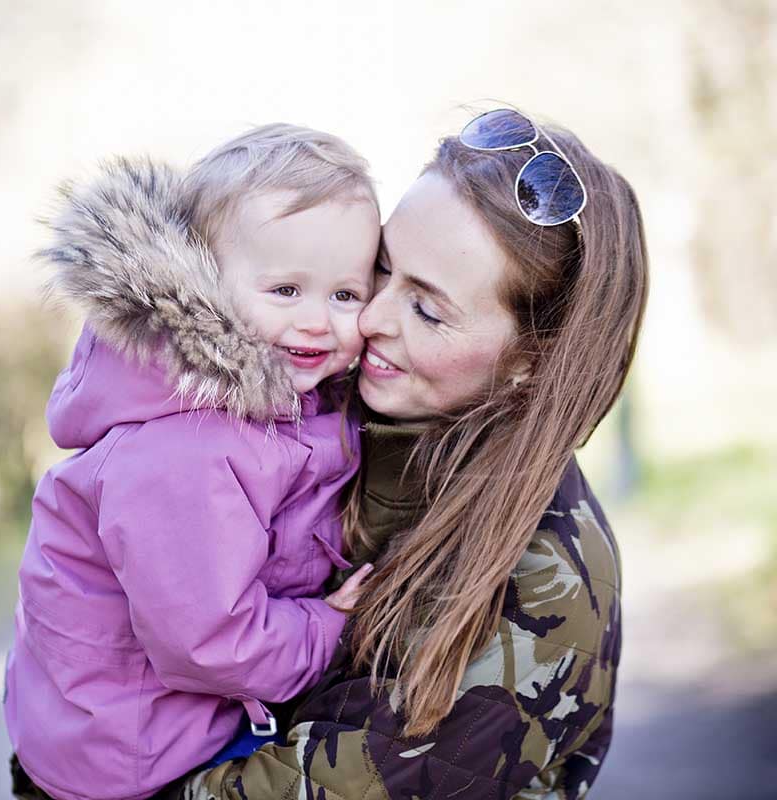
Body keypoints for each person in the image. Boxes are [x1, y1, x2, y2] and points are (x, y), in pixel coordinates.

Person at [167, 108, 648, 799]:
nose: (368, 319)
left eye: (426, 309)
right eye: (381, 271)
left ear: (529, 363)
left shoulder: (542, 585)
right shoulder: (321, 414)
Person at [3, 124, 382, 800]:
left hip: (175, 715)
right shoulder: (189, 445)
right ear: (203, 284)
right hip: (132, 753)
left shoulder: (282, 401)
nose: (319, 321)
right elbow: (212, 641)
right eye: (286, 291)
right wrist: (332, 628)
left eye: (345, 295)